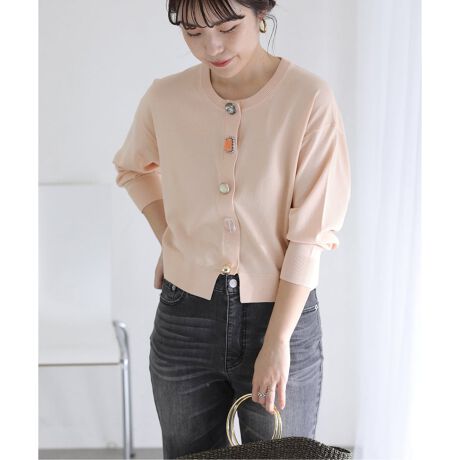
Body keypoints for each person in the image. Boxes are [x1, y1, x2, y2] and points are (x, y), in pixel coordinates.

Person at [112, 0, 351, 457]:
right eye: (193, 32)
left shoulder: (308, 98)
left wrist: (277, 340)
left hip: (279, 313)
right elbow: (133, 169)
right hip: (185, 315)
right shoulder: (166, 97)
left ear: (261, 14)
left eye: (227, 27)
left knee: (283, 453)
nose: (212, 47)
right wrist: (173, 238)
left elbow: (310, 232)